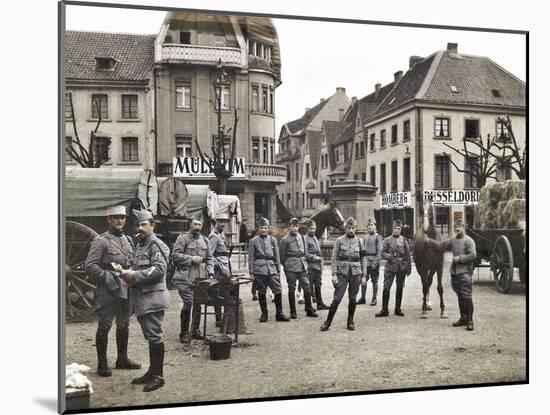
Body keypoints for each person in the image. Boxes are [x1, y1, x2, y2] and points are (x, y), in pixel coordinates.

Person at [117, 209, 171, 392]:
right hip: (142, 298)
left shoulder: (157, 245)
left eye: (144, 224)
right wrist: (125, 270)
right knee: (150, 336)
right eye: (138, 225)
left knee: (155, 336)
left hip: (153, 297)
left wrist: (134, 275)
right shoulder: (141, 245)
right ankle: (152, 371)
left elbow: (158, 271)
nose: (140, 228)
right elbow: (138, 266)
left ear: (152, 225)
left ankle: (158, 376)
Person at [84, 205, 141, 378]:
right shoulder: (101, 241)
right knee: (105, 325)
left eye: (122, 218)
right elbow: (90, 265)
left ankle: (122, 359)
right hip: (108, 290)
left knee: (124, 324)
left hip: (126, 289)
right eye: (115, 217)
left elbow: (131, 262)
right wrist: (108, 277)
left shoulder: (128, 240)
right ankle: (102, 364)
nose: (119, 220)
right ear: (109, 219)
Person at [172, 215, 215, 344]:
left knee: (198, 303)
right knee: (189, 302)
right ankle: (184, 333)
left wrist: (211, 272)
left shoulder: (205, 240)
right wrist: (190, 259)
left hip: (200, 279)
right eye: (195, 224)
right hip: (184, 278)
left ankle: (195, 330)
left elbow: (210, 258)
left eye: (199, 225)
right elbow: (174, 255)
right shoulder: (182, 238)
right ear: (190, 225)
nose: (197, 227)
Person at [427, 219, 477, 330]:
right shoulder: (452, 240)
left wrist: (460, 258)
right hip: (455, 273)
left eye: (459, 226)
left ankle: (470, 320)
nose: (457, 228)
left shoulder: (468, 241)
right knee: (460, 296)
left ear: (463, 227)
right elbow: (441, 246)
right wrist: (429, 240)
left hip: (465, 273)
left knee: (467, 297)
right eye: (455, 227)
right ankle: (463, 318)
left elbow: (473, 255)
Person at [320, 217, 367, 331]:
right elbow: (334, 258)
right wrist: (334, 274)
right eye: (348, 228)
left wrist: (364, 275)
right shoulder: (339, 240)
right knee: (337, 299)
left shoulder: (360, 242)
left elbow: (363, 259)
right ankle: (327, 322)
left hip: (356, 273)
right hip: (342, 274)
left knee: (353, 299)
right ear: (345, 229)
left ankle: (350, 321)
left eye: (353, 228)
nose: (351, 230)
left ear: (355, 228)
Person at [248, 217, 290, 322]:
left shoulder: (273, 240)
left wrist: (278, 269)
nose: (263, 230)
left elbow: (277, 256)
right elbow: (251, 258)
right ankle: (264, 314)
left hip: (271, 268)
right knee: (261, 291)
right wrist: (251, 272)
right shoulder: (253, 241)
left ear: (268, 229)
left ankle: (279, 314)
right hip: (259, 269)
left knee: (278, 290)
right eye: (262, 228)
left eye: (265, 228)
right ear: (259, 228)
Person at [279, 218, 318, 319]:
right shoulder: (285, 240)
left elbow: (305, 253)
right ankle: (293, 312)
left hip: (302, 266)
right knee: (291, 289)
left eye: (296, 226)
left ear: (298, 227)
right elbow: (282, 256)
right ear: (289, 227)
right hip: (291, 267)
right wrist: (287, 266)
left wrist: (310, 259)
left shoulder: (302, 237)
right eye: (293, 226)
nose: (295, 228)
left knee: (307, 286)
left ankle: (309, 309)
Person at [376, 219, 411, 317]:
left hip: (401, 267)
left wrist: (408, 268)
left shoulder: (404, 240)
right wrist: (389, 257)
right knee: (386, 287)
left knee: (400, 287)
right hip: (390, 266)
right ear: (392, 229)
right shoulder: (387, 240)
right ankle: (384, 310)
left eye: (399, 229)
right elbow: (382, 253)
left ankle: (398, 309)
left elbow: (408, 255)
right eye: (395, 228)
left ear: (401, 230)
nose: (397, 230)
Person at [209, 212, 231, 327]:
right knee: (218, 295)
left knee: (225, 294)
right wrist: (220, 267)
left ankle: (223, 319)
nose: (223, 223)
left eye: (224, 221)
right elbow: (210, 255)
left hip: (225, 268)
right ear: (216, 222)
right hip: (219, 271)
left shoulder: (221, 235)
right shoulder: (214, 236)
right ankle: (219, 320)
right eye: (220, 221)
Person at [304, 219, 329, 310]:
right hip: (310, 266)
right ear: (307, 229)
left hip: (317, 267)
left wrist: (320, 262)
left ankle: (320, 304)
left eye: (314, 228)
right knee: (308, 286)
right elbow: (305, 254)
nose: (312, 230)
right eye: (311, 228)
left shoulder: (314, 238)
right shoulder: (305, 239)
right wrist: (316, 258)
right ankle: (308, 306)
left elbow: (318, 251)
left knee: (318, 285)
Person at [358, 218, 383, 306]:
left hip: (373, 261)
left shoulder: (378, 237)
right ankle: (363, 298)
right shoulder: (365, 237)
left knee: (374, 281)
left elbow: (380, 251)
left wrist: (375, 263)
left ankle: (374, 298)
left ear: (375, 226)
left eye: (372, 225)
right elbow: (362, 250)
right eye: (369, 225)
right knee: (363, 279)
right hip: (365, 262)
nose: (370, 227)